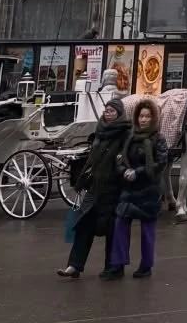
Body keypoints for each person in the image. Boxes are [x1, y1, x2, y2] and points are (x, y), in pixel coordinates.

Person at [58, 98, 131, 278]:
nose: (108, 113)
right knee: (84, 225)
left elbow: (128, 157)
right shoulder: (100, 131)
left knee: (114, 229)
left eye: (112, 111)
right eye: (107, 110)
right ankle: (74, 266)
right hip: (95, 186)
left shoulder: (126, 133)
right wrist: (81, 180)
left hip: (114, 187)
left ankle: (114, 269)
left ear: (120, 113)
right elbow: (92, 158)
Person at [107, 98, 169, 277]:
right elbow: (120, 157)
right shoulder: (130, 137)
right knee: (120, 224)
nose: (143, 120)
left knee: (147, 230)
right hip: (129, 189)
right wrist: (124, 170)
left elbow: (160, 163)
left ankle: (146, 266)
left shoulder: (158, 138)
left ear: (153, 118)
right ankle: (117, 264)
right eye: (141, 116)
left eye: (147, 116)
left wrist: (138, 172)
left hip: (149, 190)